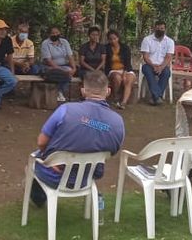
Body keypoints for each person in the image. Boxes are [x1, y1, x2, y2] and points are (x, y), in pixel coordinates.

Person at [28, 71, 125, 207]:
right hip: (88, 176)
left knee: (36, 157)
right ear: (108, 91)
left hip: (56, 174)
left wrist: (49, 158)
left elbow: (41, 142)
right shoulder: (118, 122)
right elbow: (112, 152)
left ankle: (38, 199)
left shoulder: (65, 110)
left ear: (83, 91)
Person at [140, 20, 175, 105]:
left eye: (162, 28)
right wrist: (153, 66)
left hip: (163, 66)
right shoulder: (147, 40)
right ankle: (157, 96)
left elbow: (168, 57)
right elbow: (145, 56)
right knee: (146, 69)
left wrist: (161, 67)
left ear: (165, 29)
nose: (160, 30)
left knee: (167, 72)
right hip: (149, 65)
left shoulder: (170, 41)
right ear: (154, 28)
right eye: (158, 28)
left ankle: (154, 97)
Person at [40, 24, 76, 103]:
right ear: (49, 34)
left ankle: (60, 92)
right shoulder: (45, 43)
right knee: (61, 73)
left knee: (68, 71)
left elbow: (70, 56)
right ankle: (59, 92)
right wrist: (61, 70)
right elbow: (48, 60)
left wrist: (74, 68)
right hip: (49, 66)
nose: (55, 34)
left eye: (57, 32)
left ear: (60, 33)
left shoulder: (64, 42)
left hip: (64, 66)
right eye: (53, 33)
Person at [105, 29, 135, 109]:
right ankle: (116, 98)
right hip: (113, 70)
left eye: (114, 38)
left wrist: (124, 74)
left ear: (118, 38)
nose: (113, 41)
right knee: (117, 78)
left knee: (128, 80)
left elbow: (127, 63)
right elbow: (106, 63)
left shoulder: (125, 48)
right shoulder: (106, 48)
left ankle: (123, 102)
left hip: (126, 69)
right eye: (110, 39)